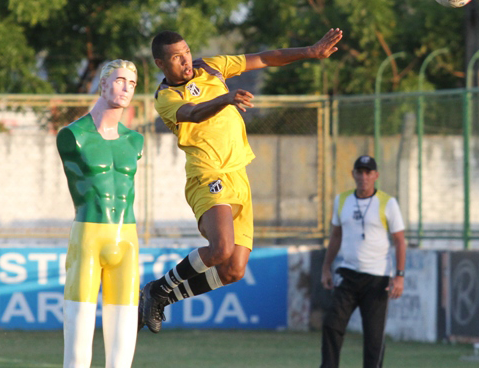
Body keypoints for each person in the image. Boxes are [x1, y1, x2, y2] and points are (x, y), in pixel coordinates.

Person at [139, 28, 343, 333]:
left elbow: (263, 58)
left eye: (187, 52)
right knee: (220, 249)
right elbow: (193, 114)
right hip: (207, 173)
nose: (186, 60)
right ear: (160, 63)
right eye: (177, 57)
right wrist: (226, 98)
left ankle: (164, 296)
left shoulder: (211, 66)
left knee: (233, 269)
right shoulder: (167, 97)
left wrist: (310, 52)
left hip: (239, 175)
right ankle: (157, 288)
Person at [53, 60, 143, 368]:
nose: (126, 88)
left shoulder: (135, 142)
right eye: (120, 80)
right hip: (87, 241)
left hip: (127, 245)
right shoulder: (71, 135)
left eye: (133, 83)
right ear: (103, 83)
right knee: (78, 364)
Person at [297, 155, 406, 368]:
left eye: (369, 172)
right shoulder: (342, 200)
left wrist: (399, 275)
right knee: (332, 324)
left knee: (373, 332)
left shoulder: (388, 203)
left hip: (377, 277)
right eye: (360, 171)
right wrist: (327, 267)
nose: (364, 177)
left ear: (376, 176)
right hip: (347, 273)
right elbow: (335, 236)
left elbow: (399, 240)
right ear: (353, 174)